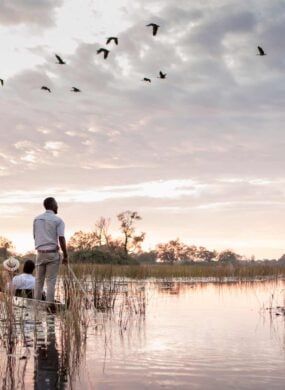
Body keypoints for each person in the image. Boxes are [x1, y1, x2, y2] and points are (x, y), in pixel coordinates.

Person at [33, 197, 68, 304]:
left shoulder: (37, 219)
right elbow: (61, 238)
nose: (57, 206)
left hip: (40, 253)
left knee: (38, 281)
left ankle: (36, 306)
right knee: (50, 282)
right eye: (56, 204)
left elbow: (35, 236)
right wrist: (66, 255)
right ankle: (49, 306)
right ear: (52, 206)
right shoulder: (58, 220)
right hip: (52, 254)